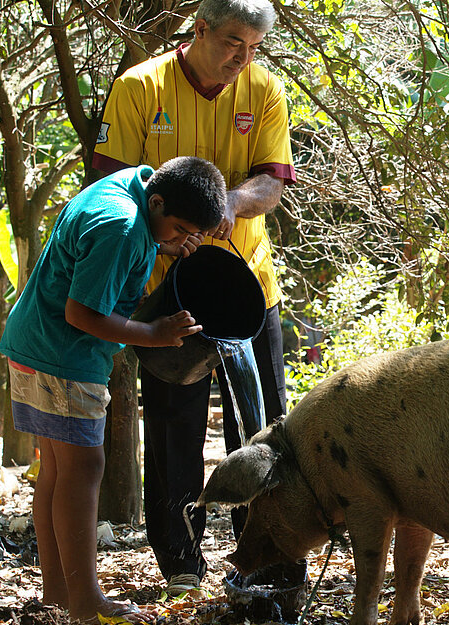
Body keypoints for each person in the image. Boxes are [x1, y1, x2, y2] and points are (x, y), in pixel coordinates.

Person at [92, 0, 297, 598]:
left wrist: (228, 206)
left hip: (247, 283)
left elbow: (272, 181)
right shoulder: (139, 88)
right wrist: (170, 234)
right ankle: (181, 562)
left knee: (262, 429)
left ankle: (262, 554)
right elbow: (109, 186)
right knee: (174, 424)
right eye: (234, 42)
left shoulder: (264, 89)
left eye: (255, 47)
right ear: (200, 29)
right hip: (163, 285)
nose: (243, 58)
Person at [0, 157, 226, 623]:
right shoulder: (122, 225)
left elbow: (117, 248)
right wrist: (157, 334)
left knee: (58, 474)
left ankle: (58, 596)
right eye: (179, 229)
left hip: (31, 345)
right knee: (84, 470)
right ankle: (85, 603)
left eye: (190, 235)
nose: (182, 241)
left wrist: (167, 241)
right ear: (157, 201)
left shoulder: (133, 187)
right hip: (64, 356)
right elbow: (82, 313)